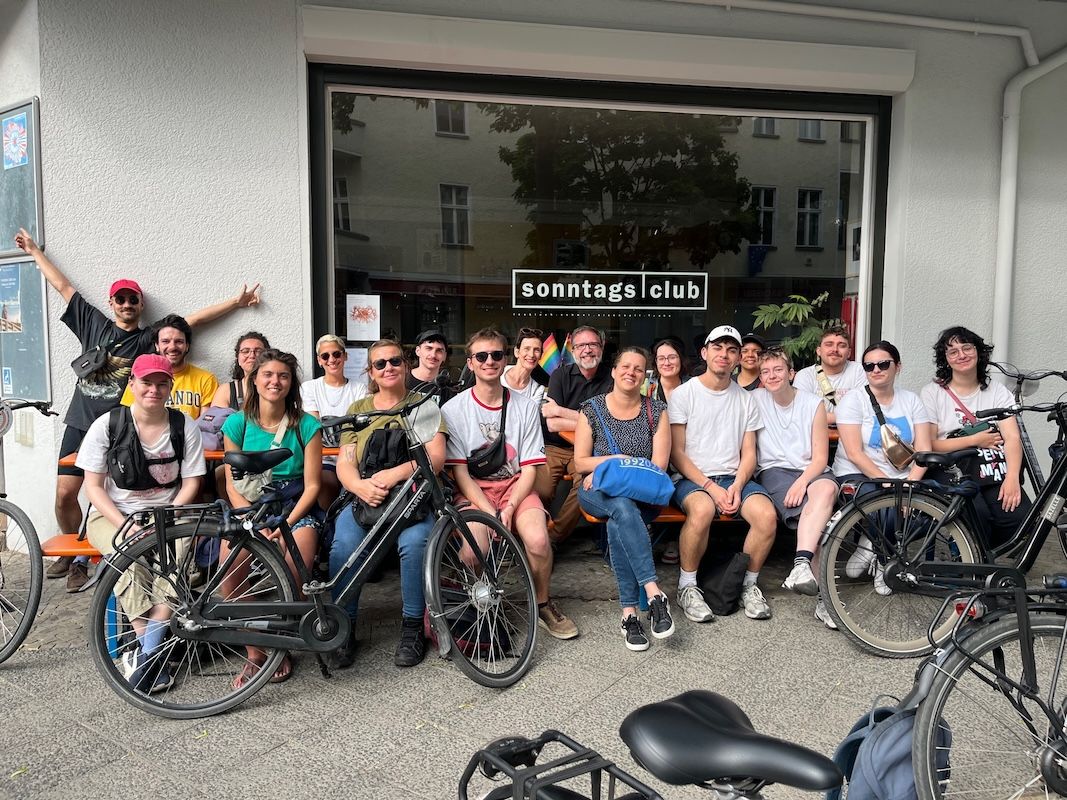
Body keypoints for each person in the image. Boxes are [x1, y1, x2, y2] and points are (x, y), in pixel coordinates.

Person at [14, 227, 260, 591]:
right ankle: (75, 554)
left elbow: (191, 322)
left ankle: (106, 560)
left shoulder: (149, 338)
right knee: (66, 493)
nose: (127, 305)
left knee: (121, 492)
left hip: (124, 429)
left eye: (133, 300)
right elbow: (63, 286)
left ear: (141, 305)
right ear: (112, 303)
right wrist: (34, 251)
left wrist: (235, 304)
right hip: (83, 421)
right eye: (121, 299)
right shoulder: (92, 322)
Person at [77, 354, 207, 693]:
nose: (154, 389)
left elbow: (191, 482)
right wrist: (126, 524)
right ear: (132, 384)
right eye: (146, 382)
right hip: (113, 515)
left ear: (170, 386)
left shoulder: (183, 426)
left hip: (169, 514)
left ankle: (148, 653)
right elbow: (93, 486)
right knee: (129, 561)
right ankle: (150, 646)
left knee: (176, 563)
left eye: (161, 383)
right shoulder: (109, 425)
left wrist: (168, 515)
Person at [442, 328, 578, 640]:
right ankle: (480, 597)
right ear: (472, 363)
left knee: (539, 541)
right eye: (481, 356)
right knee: (473, 552)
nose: (490, 361)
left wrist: (511, 506)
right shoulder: (454, 409)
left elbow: (530, 467)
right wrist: (489, 510)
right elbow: (460, 473)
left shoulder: (526, 406)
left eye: (496, 355)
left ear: (506, 359)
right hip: (474, 489)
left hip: (515, 484)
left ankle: (542, 603)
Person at [330, 338, 445, 668]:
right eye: (380, 364)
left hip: (412, 496)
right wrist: (361, 487)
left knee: (415, 543)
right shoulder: (358, 411)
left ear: (406, 365)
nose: (389, 368)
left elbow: (435, 458)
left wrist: (394, 475)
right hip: (365, 496)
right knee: (343, 547)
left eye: (394, 361)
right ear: (371, 371)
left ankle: (412, 627)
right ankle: (344, 626)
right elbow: (345, 462)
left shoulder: (423, 405)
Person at [221, 349, 323, 687]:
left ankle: (281, 646)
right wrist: (252, 524)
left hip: (294, 508)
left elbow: (312, 486)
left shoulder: (306, 425)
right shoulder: (236, 423)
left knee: (296, 573)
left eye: (283, 375)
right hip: (250, 509)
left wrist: (286, 526)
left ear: (292, 383)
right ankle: (256, 650)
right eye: (268, 375)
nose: (275, 381)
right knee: (230, 575)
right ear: (254, 379)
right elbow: (231, 485)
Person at [668, 325, 778, 622]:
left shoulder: (746, 399)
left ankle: (747, 584)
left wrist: (738, 486)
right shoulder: (683, 394)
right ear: (704, 353)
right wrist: (710, 487)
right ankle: (687, 587)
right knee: (702, 510)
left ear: (739, 358)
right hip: (692, 479)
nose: (724, 355)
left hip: (734, 478)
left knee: (767, 516)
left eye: (732, 350)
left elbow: (749, 453)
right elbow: (677, 453)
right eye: (717, 348)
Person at [574, 347, 673, 651]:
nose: (631, 372)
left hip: (641, 496)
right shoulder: (591, 408)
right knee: (620, 507)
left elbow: (658, 467)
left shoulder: (656, 411)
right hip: (596, 492)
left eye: (639, 369)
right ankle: (654, 592)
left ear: (644, 377)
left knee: (621, 513)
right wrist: (615, 460)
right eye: (625, 366)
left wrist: (611, 468)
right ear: (614, 372)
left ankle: (629, 614)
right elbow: (580, 463)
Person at [833, 341, 934, 594]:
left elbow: (924, 449)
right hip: (859, 473)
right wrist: (892, 486)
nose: (876, 370)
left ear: (897, 367)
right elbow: (855, 453)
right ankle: (884, 560)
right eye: (869, 366)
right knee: (886, 504)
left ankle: (870, 544)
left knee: (935, 507)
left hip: (904, 473)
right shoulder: (854, 400)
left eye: (883, 364)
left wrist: (909, 483)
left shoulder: (911, 400)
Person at [751, 348, 839, 630]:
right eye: (765, 372)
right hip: (774, 471)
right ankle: (826, 602)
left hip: (812, 471)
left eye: (777, 370)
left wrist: (802, 481)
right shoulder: (755, 399)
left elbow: (821, 458)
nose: (771, 376)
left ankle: (801, 564)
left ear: (791, 373)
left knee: (825, 491)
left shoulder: (813, 404)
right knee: (822, 525)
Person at [920, 326, 1030, 549]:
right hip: (951, 469)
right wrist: (975, 440)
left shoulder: (998, 391)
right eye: (953, 351)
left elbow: (1012, 438)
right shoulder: (932, 393)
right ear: (946, 360)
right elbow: (930, 444)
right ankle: (969, 560)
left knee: (1019, 519)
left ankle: (983, 559)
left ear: (979, 352)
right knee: (976, 515)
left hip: (991, 468)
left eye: (967, 348)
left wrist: (1012, 479)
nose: (961, 355)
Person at [535, 325, 614, 543]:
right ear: (573, 349)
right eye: (581, 345)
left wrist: (561, 411)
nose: (587, 350)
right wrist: (591, 419)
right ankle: (537, 535)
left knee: (587, 487)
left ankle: (552, 539)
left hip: (590, 450)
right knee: (540, 489)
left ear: (602, 347)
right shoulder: (561, 375)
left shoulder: (612, 378)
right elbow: (552, 424)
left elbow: (607, 423)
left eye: (593, 344)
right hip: (555, 447)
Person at [301, 334, 369, 510]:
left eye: (336, 354)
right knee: (325, 483)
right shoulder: (309, 388)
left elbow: (362, 427)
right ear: (319, 361)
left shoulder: (360, 388)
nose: (332, 359)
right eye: (325, 356)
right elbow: (313, 427)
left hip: (353, 456)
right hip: (324, 458)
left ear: (345, 356)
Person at [120, 314, 218, 418]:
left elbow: (206, 428)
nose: (172, 347)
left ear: (187, 346)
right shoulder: (141, 377)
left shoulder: (206, 380)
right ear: (157, 345)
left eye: (179, 341)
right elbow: (128, 419)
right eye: (165, 341)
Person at [792, 326, 867, 425]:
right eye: (829, 344)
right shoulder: (805, 376)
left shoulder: (859, 371)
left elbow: (865, 410)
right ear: (819, 351)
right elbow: (802, 414)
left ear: (849, 353)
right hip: (814, 437)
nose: (835, 349)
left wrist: (819, 417)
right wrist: (848, 416)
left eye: (841, 345)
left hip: (852, 436)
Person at [211, 331, 271, 410]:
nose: (252, 355)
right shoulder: (226, 391)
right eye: (245, 351)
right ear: (238, 359)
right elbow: (215, 421)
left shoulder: (274, 387)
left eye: (258, 351)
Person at [407, 329, 454, 405]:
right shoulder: (402, 380)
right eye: (428, 348)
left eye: (439, 350)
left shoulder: (447, 388)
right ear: (418, 351)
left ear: (444, 356)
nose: (433, 355)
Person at [501, 327, 548, 404]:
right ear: (516, 352)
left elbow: (531, 414)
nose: (531, 355)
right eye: (527, 349)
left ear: (541, 355)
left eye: (536, 350)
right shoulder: (499, 373)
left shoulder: (536, 390)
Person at [649, 336, 689, 403]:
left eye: (672, 357)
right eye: (661, 358)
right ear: (656, 362)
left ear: (681, 359)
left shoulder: (693, 387)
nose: (667, 363)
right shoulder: (645, 388)